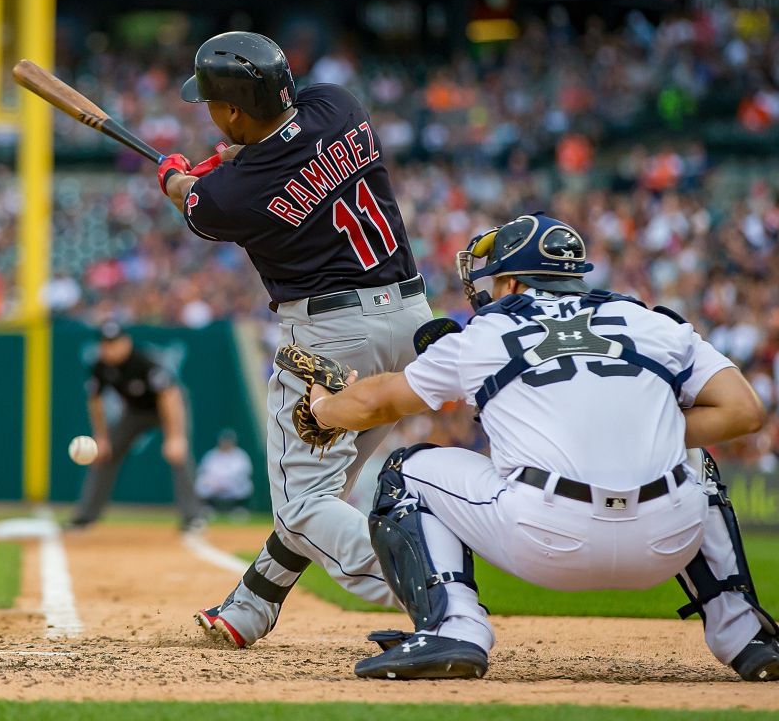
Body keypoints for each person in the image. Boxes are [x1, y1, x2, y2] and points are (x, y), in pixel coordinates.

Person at [305, 213, 778, 681]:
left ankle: (455, 630)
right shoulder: (649, 322)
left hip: (549, 538)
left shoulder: (486, 335)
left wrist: (324, 406)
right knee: (695, 463)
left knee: (405, 470)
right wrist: (636, 427)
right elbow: (744, 412)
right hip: (667, 538)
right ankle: (745, 637)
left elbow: (377, 403)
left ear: (510, 281)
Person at [157, 31, 432, 647]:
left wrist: (177, 172)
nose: (209, 113)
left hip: (335, 341)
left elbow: (193, 200)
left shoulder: (233, 195)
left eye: (212, 105)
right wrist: (232, 158)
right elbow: (284, 146)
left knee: (306, 506)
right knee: (321, 494)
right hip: (410, 322)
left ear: (232, 111)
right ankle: (249, 608)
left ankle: (439, 592)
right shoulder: (338, 104)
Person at [67, 321, 204, 532]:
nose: (110, 348)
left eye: (114, 343)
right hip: (135, 413)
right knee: (105, 454)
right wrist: (101, 438)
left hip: (167, 409)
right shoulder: (100, 366)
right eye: (106, 344)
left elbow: (170, 396)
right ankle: (86, 515)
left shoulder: (143, 361)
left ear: (126, 342)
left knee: (179, 454)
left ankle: (193, 516)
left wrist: (175, 436)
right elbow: (95, 402)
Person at [195, 429, 253, 517]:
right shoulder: (211, 455)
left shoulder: (240, 455)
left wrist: (226, 484)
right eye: (224, 440)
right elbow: (204, 472)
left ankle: (238, 508)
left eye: (228, 441)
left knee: (246, 485)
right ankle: (209, 507)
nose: (226, 443)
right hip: (215, 487)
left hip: (232, 487)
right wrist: (215, 484)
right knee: (200, 482)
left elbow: (244, 474)